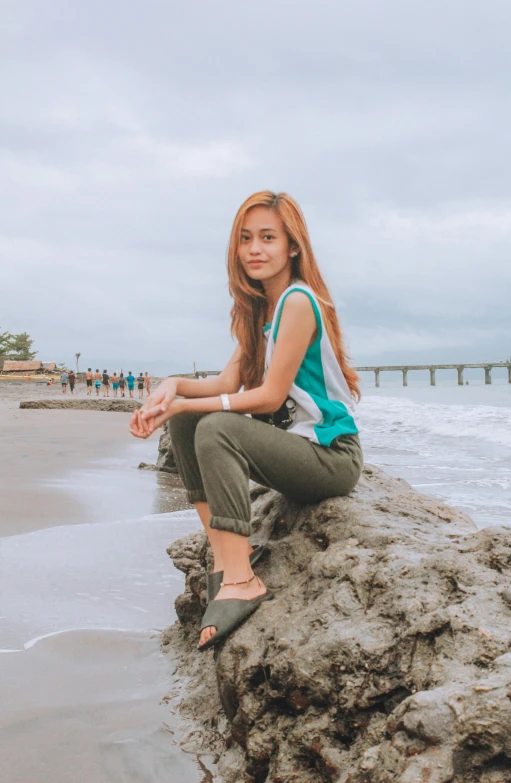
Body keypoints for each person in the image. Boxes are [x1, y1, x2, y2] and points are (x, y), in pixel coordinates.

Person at [130, 191, 363, 653]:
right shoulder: (260, 310)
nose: (255, 249)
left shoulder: (298, 301)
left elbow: (269, 396)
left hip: (331, 457)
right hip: (294, 448)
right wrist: (173, 387)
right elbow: (228, 381)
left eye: (268, 238)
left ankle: (242, 580)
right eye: (245, 239)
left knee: (215, 424)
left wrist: (191, 405)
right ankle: (226, 556)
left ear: (293, 247)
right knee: (187, 425)